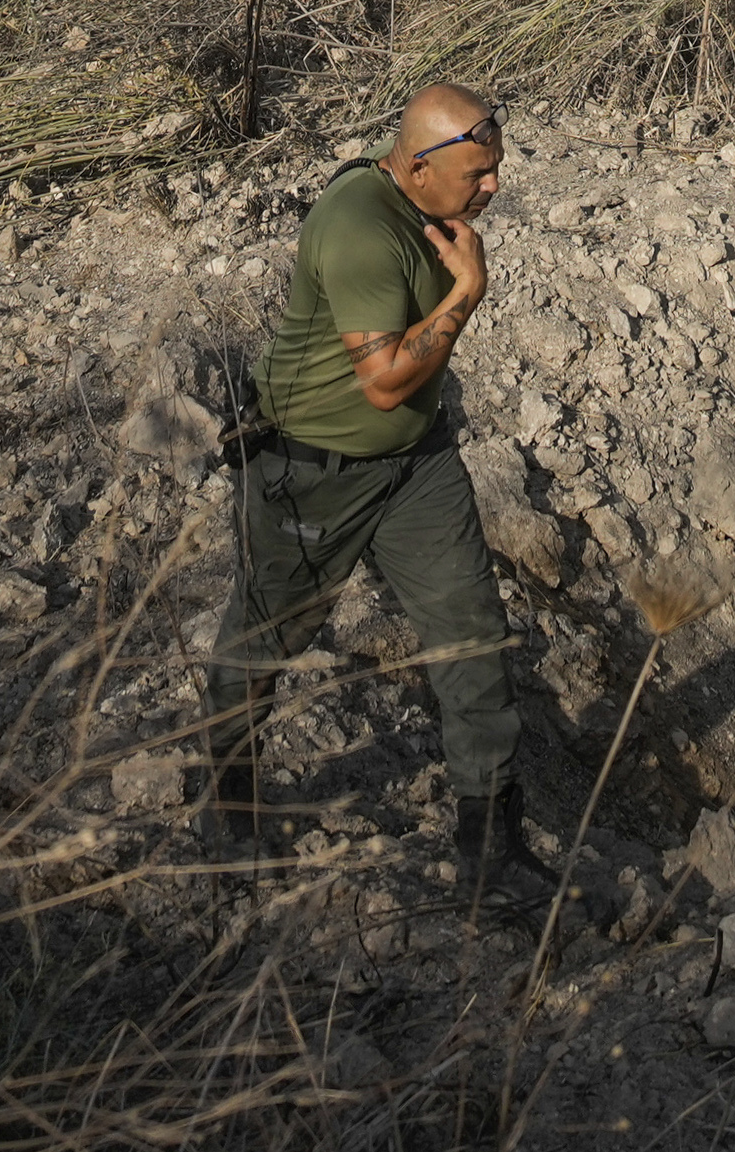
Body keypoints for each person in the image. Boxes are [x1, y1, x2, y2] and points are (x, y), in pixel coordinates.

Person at [203, 80, 543, 906]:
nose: (493, 188)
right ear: (418, 167)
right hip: (312, 471)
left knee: (473, 635)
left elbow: (401, 405)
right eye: (476, 174)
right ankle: (225, 807)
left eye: (496, 168)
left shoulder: (434, 205)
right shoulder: (360, 227)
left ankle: (492, 854)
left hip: (414, 464)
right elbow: (387, 380)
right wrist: (466, 295)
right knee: (266, 637)